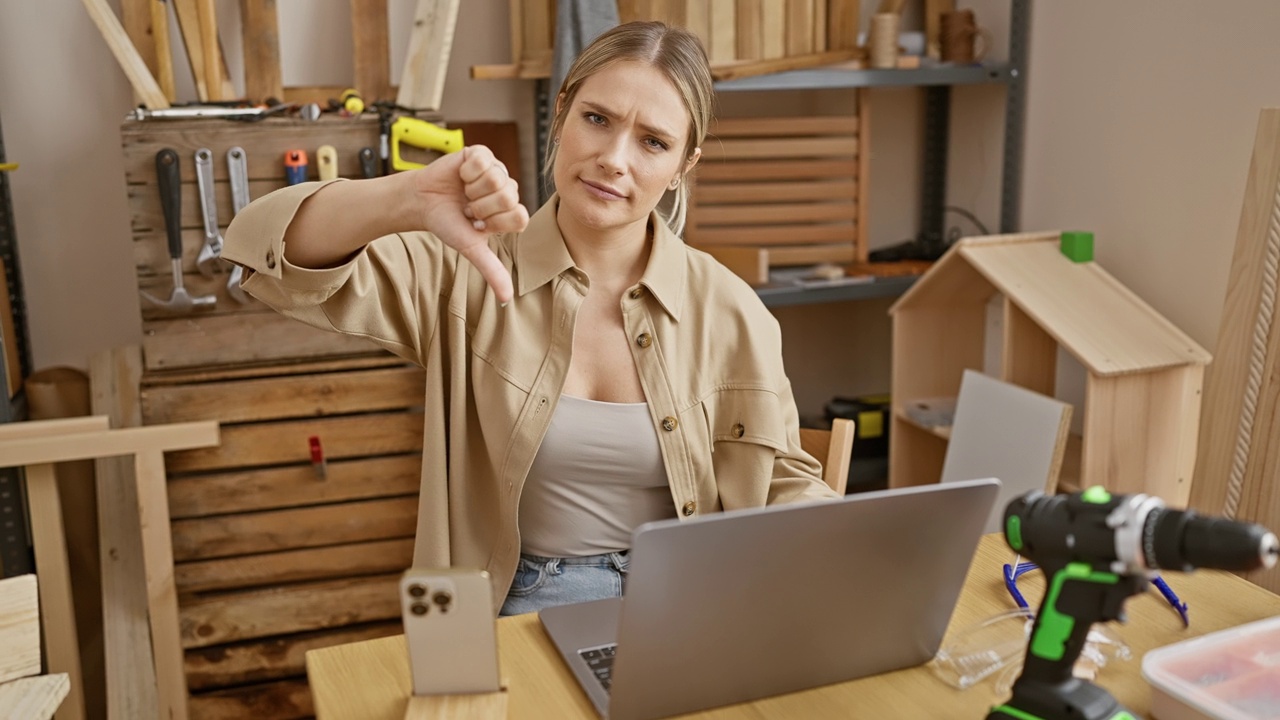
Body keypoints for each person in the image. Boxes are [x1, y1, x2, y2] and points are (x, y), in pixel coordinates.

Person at [222, 20, 839, 616]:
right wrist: (403, 197)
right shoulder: (466, 265)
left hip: (694, 605)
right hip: (514, 607)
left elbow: (783, 480)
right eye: (597, 119)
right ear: (562, 111)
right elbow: (258, 248)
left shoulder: (733, 310)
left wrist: (866, 546)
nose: (613, 159)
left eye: (653, 142)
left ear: (684, 164)